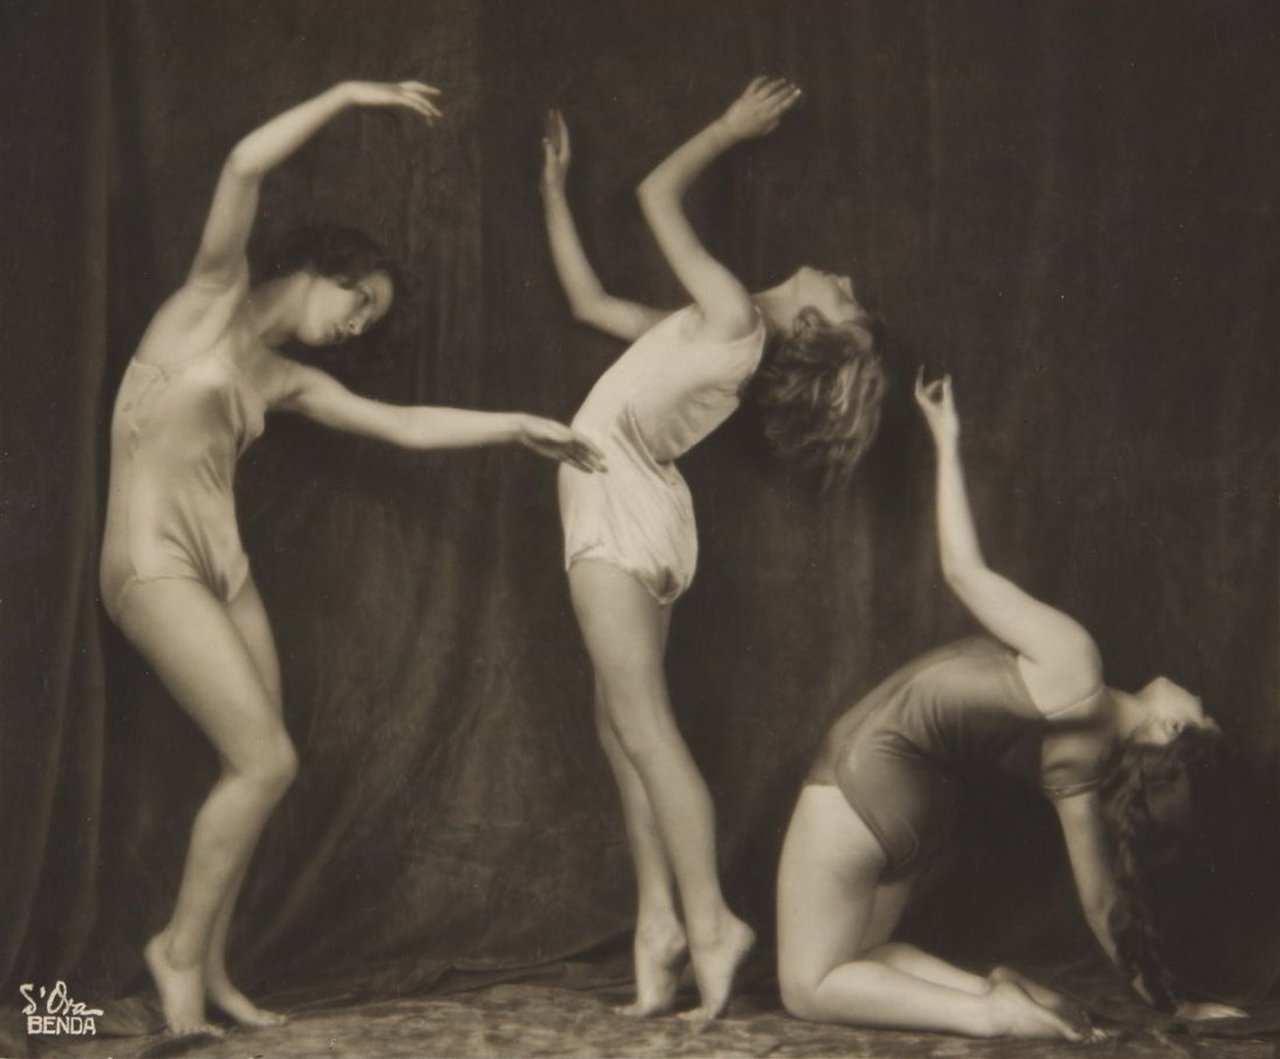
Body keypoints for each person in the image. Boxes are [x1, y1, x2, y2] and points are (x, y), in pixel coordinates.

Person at [100, 79, 605, 1039]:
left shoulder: (286, 379)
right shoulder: (208, 297)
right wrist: (344, 96)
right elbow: (243, 164)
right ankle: (175, 955)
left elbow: (404, 425)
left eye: (370, 318)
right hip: (149, 563)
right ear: (323, 266)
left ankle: (212, 966)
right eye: (360, 299)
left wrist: (516, 425)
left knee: (257, 769)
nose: (359, 323)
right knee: (264, 761)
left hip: (226, 575)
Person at [539, 77, 886, 1020]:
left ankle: (711, 922)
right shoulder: (716, 334)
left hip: (618, 501)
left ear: (811, 326)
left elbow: (656, 193)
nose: (842, 280)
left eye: (843, 301)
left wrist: (731, 128)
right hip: (644, 508)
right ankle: (659, 923)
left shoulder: (732, 314)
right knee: (620, 725)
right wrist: (553, 195)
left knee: (643, 727)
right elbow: (587, 303)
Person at [775, 370, 1246, 1039]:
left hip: (868, 773)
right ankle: (993, 990)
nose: (1199, 695)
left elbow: (963, 572)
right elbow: (1101, 903)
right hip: (922, 811)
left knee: (807, 985)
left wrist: (947, 438)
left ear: (1169, 727)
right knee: (859, 957)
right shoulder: (1079, 767)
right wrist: (1171, 1003)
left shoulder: (1075, 665)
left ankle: (990, 1014)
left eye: (1203, 711)